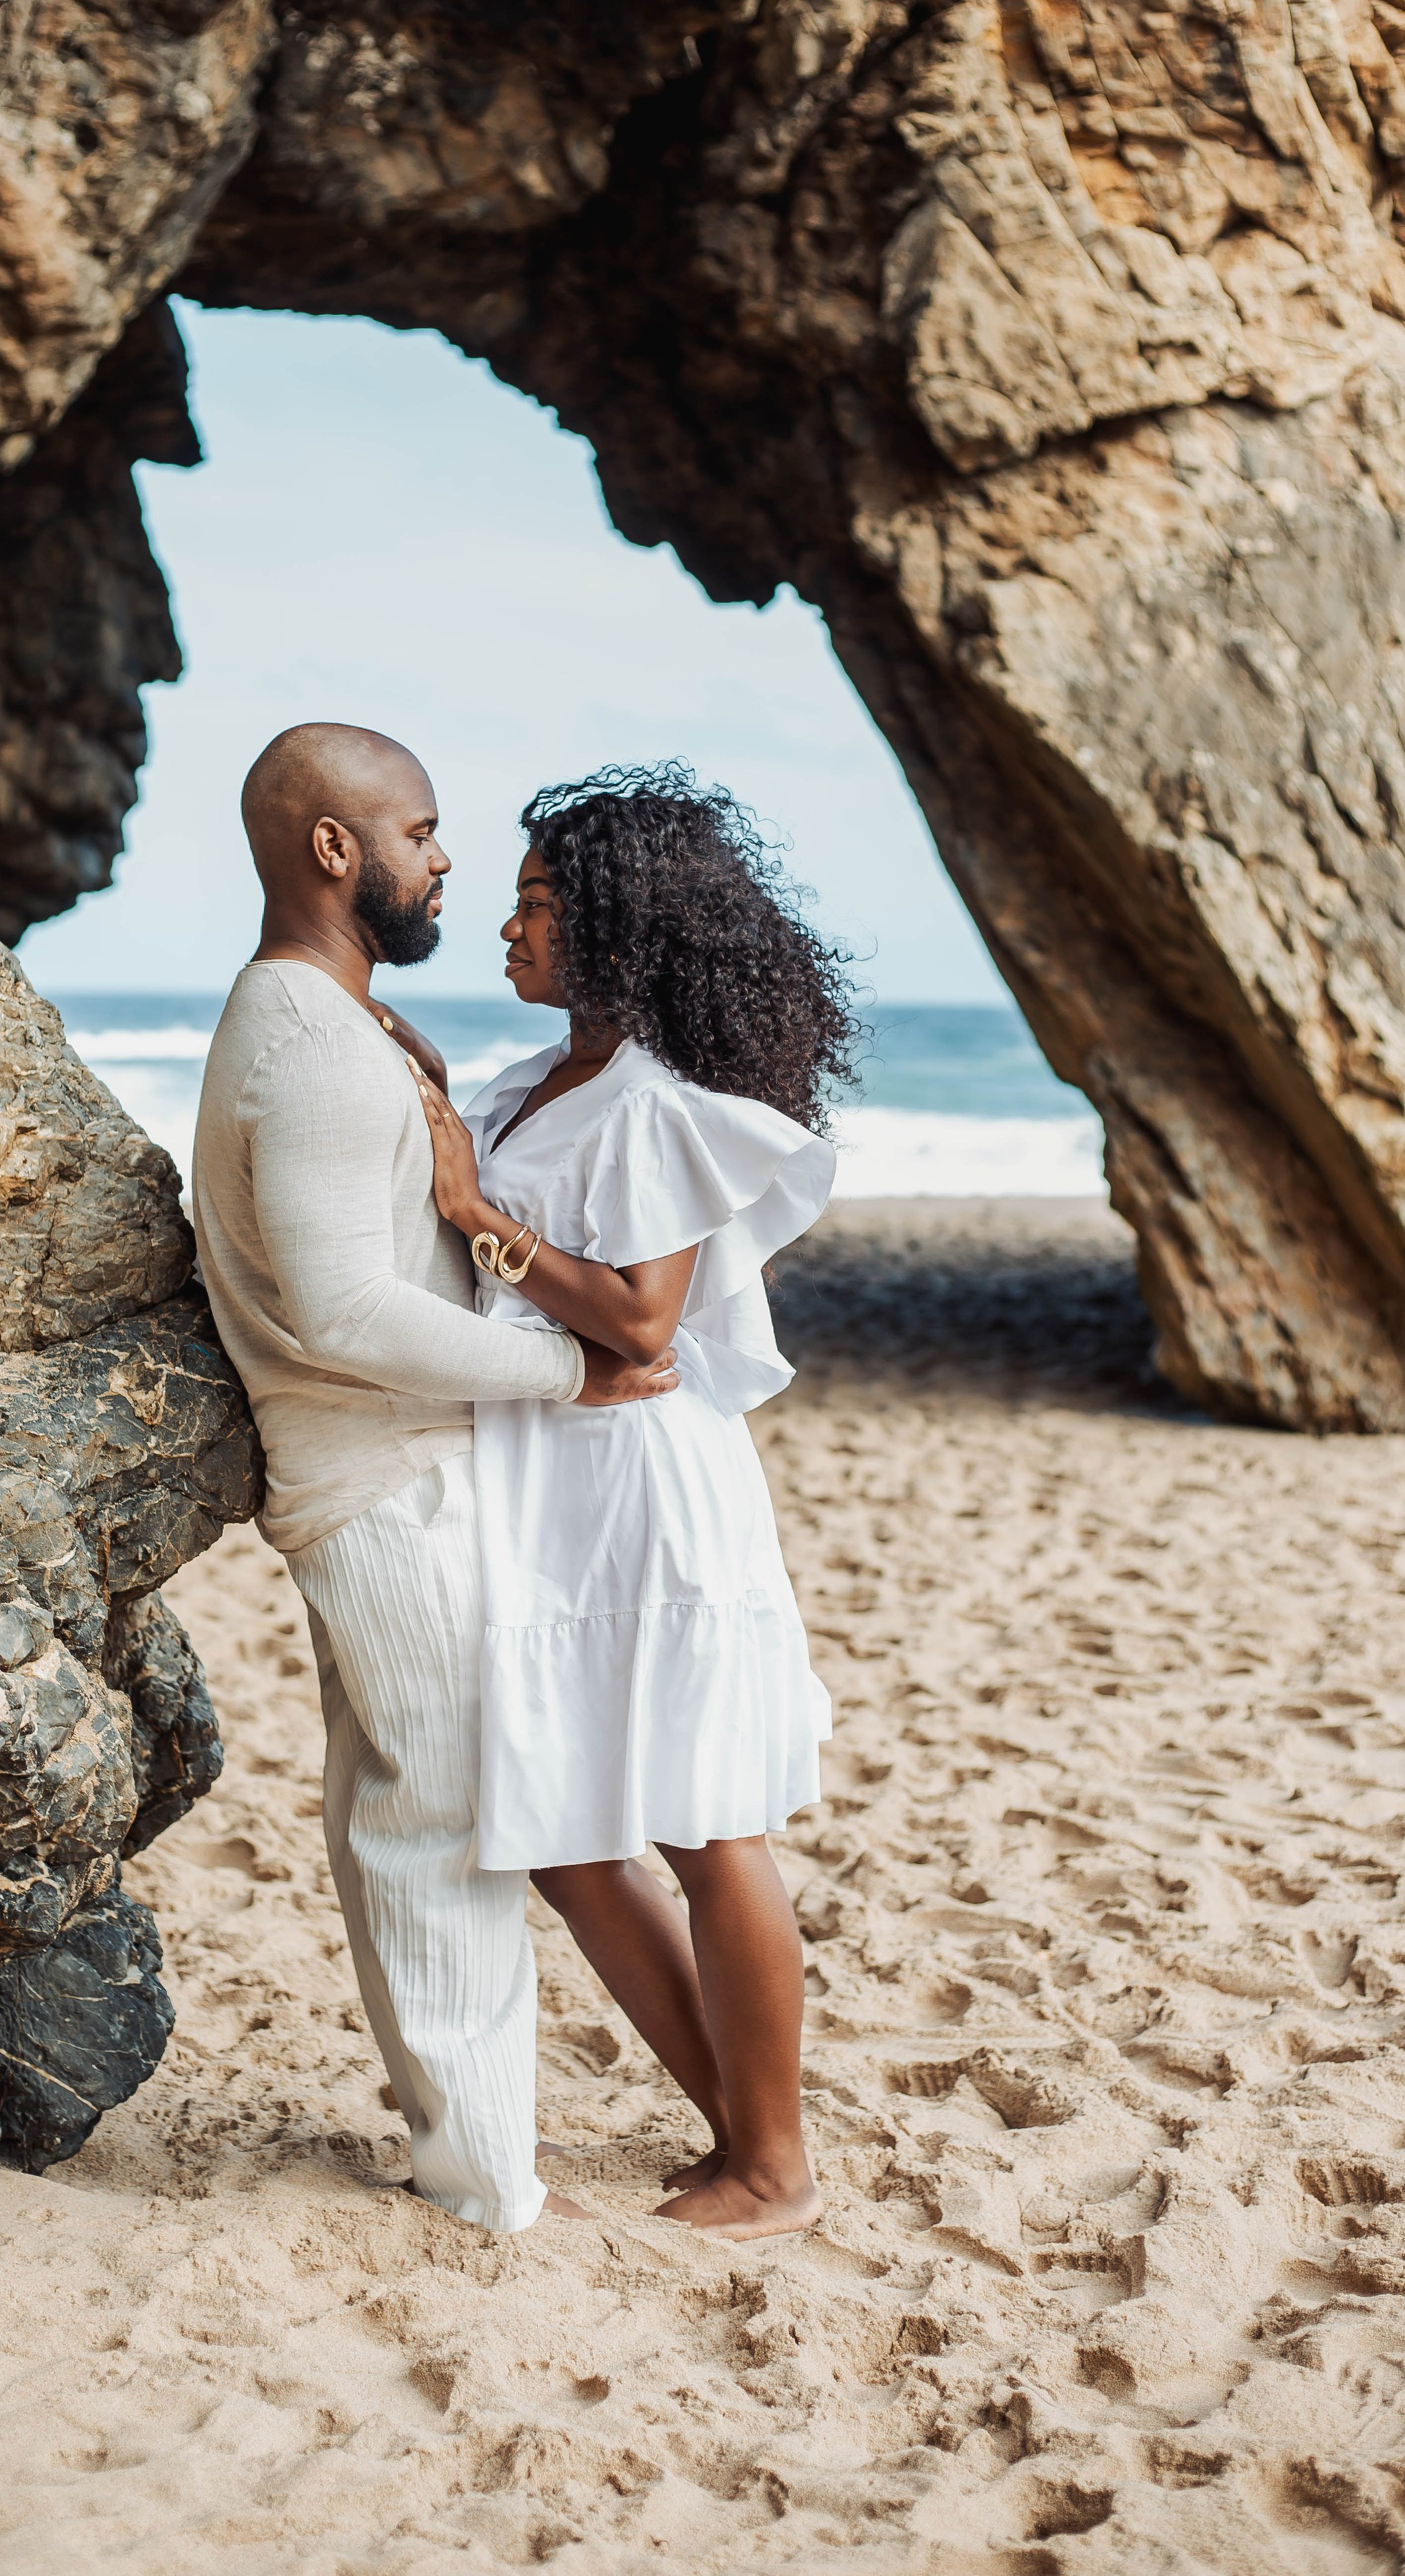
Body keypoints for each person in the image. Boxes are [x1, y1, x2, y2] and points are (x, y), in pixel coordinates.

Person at [191, 722, 679, 2236]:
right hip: (378, 1488)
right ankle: (483, 2184)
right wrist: (569, 1371)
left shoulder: (323, 1024)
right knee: (445, 1825)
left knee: (406, 1815)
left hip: (386, 1475)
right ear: (333, 851)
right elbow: (341, 1311)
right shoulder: (314, 1044)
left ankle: (457, 2151)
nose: (443, 859)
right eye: (419, 831)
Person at [406, 764, 855, 2240]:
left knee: (703, 1821)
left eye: (537, 907)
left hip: (644, 1492)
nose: (507, 931)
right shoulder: (529, 1085)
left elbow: (643, 1323)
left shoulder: (655, 1102)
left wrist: (482, 1220)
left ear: (614, 928)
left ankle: (772, 2162)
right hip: (545, 1483)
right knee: (562, 1834)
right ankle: (737, 2130)